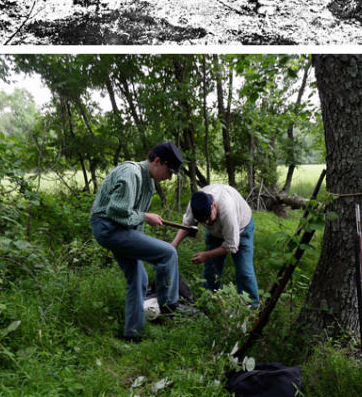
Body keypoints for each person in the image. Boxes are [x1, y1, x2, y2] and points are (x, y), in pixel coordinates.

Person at [89, 142, 184, 341]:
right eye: (169, 171)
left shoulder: (147, 181)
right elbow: (116, 212)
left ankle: (132, 335)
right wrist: (145, 216)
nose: (169, 177)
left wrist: (141, 223)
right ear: (158, 161)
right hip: (108, 227)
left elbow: (134, 222)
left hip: (119, 229)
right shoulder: (130, 173)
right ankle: (169, 306)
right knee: (168, 253)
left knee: (139, 279)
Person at [173, 184, 259, 307]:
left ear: (214, 205)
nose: (207, 222)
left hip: (241, 228)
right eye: (203, 221)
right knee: (211, 270)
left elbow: (232, 245)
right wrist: (174, 244)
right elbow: (187, 226)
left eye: (208, 217)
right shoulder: (195, 205)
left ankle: (252, 307)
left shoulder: (227, 209)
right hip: (215, 233)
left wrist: (207, 254)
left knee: (244, 271)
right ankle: (208, 304)